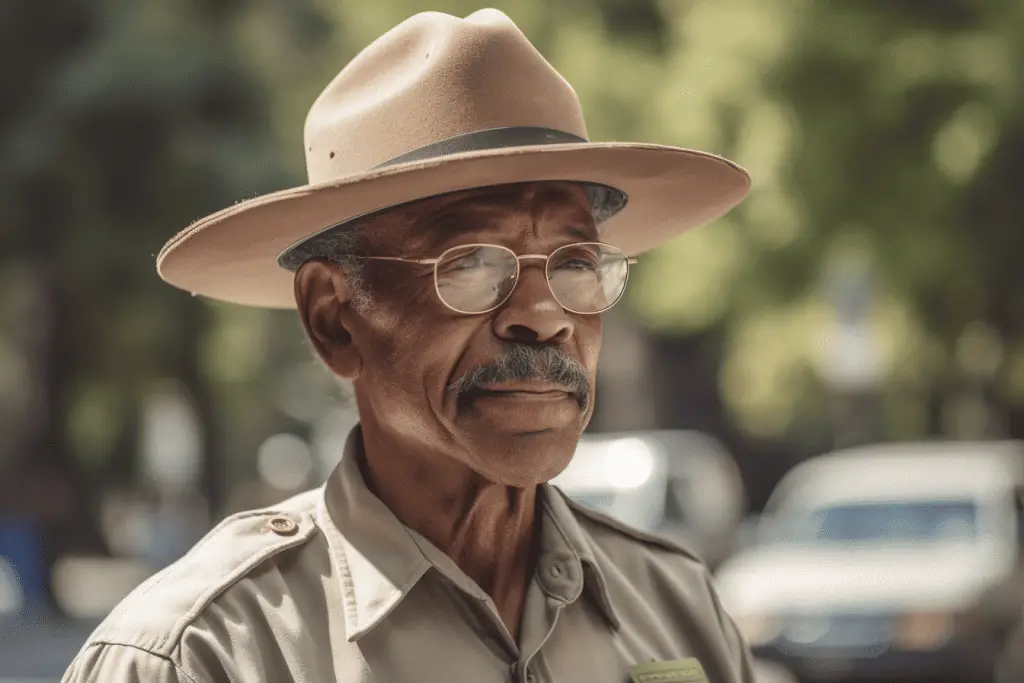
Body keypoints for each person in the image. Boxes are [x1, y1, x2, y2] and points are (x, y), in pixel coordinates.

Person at [62, 9, 752, 683]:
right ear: (335, 319)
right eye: (473, 262)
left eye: (576, 262)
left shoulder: (678, 608)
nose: (544, 316)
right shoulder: (199, 656)